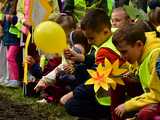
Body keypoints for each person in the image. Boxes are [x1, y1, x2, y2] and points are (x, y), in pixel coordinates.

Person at [112, 21, 160, 120]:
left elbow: (158, 95)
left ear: (139, 44)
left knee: (145, 114)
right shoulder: (141, 51)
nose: (122, 56)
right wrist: (134, 73)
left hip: (156, 97)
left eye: (124, 52)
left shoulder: (156, 56)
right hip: (152, 96)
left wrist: (128, 105)